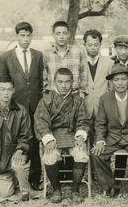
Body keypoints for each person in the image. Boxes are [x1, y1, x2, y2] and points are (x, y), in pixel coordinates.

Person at [91, 64, 128, 202]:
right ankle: (110, 186)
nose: (120, 83)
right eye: (116, 80)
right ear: (111, 82)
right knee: (96, 154)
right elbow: (100, 124)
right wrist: (100, 141)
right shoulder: (105, 98)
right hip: (112, 138)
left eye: (123, 79)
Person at [0, 22, 44, 191]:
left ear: (32, 36)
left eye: (28, 35)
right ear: (16, 36)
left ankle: (34, 177)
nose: (25, 39)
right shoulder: (5, 57)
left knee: (33, 141)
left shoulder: (38, 56)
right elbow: (2, 81)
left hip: (35, 105)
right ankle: (12, 175)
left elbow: (39, 80)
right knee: (14, 139)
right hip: (15, 106)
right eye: (22, 35)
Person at [34, 68, 90, 204]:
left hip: (72, 135)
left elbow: (84, 120)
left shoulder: (78, 100)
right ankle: (56, 190)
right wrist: (48, 139)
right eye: (60, 82)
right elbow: (41, 122)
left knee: (81, 153)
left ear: (72, 82)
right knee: (50, 155)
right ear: (54, 82)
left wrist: (81, 136)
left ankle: (75, 190)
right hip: (53, 136)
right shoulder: (46, 100)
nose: (64, 85)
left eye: (67, 82)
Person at [0, 78, 32, 201]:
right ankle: (14, 178)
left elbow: (26, 135)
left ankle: (25, 192)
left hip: (17, 155)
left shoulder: (21, 111)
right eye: (2, 89)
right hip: (0, 160)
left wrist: (20, 150)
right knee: (6, 193)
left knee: (18, 165)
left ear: (13, 91)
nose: (6, 93)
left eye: (9, 89)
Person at [83, 29, 114, 141]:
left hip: (102, 108)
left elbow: (111, 87)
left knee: (101, 138)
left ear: (100, 44)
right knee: (86, 138)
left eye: (96, 45)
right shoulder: (80, 62)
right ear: (84, 45)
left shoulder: (109, 62)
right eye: (89, 45)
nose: (93, 47)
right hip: (85, 107)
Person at [43, 21, 87, 97]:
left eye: (64, 33)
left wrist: (82, 92)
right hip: (53, 96)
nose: (61, 37)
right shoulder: (46, 54)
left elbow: (83, 74)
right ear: (53, 35)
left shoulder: (79, 51)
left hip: (73, 95)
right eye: (58, 33)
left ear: (69, 34)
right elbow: (44, 77)